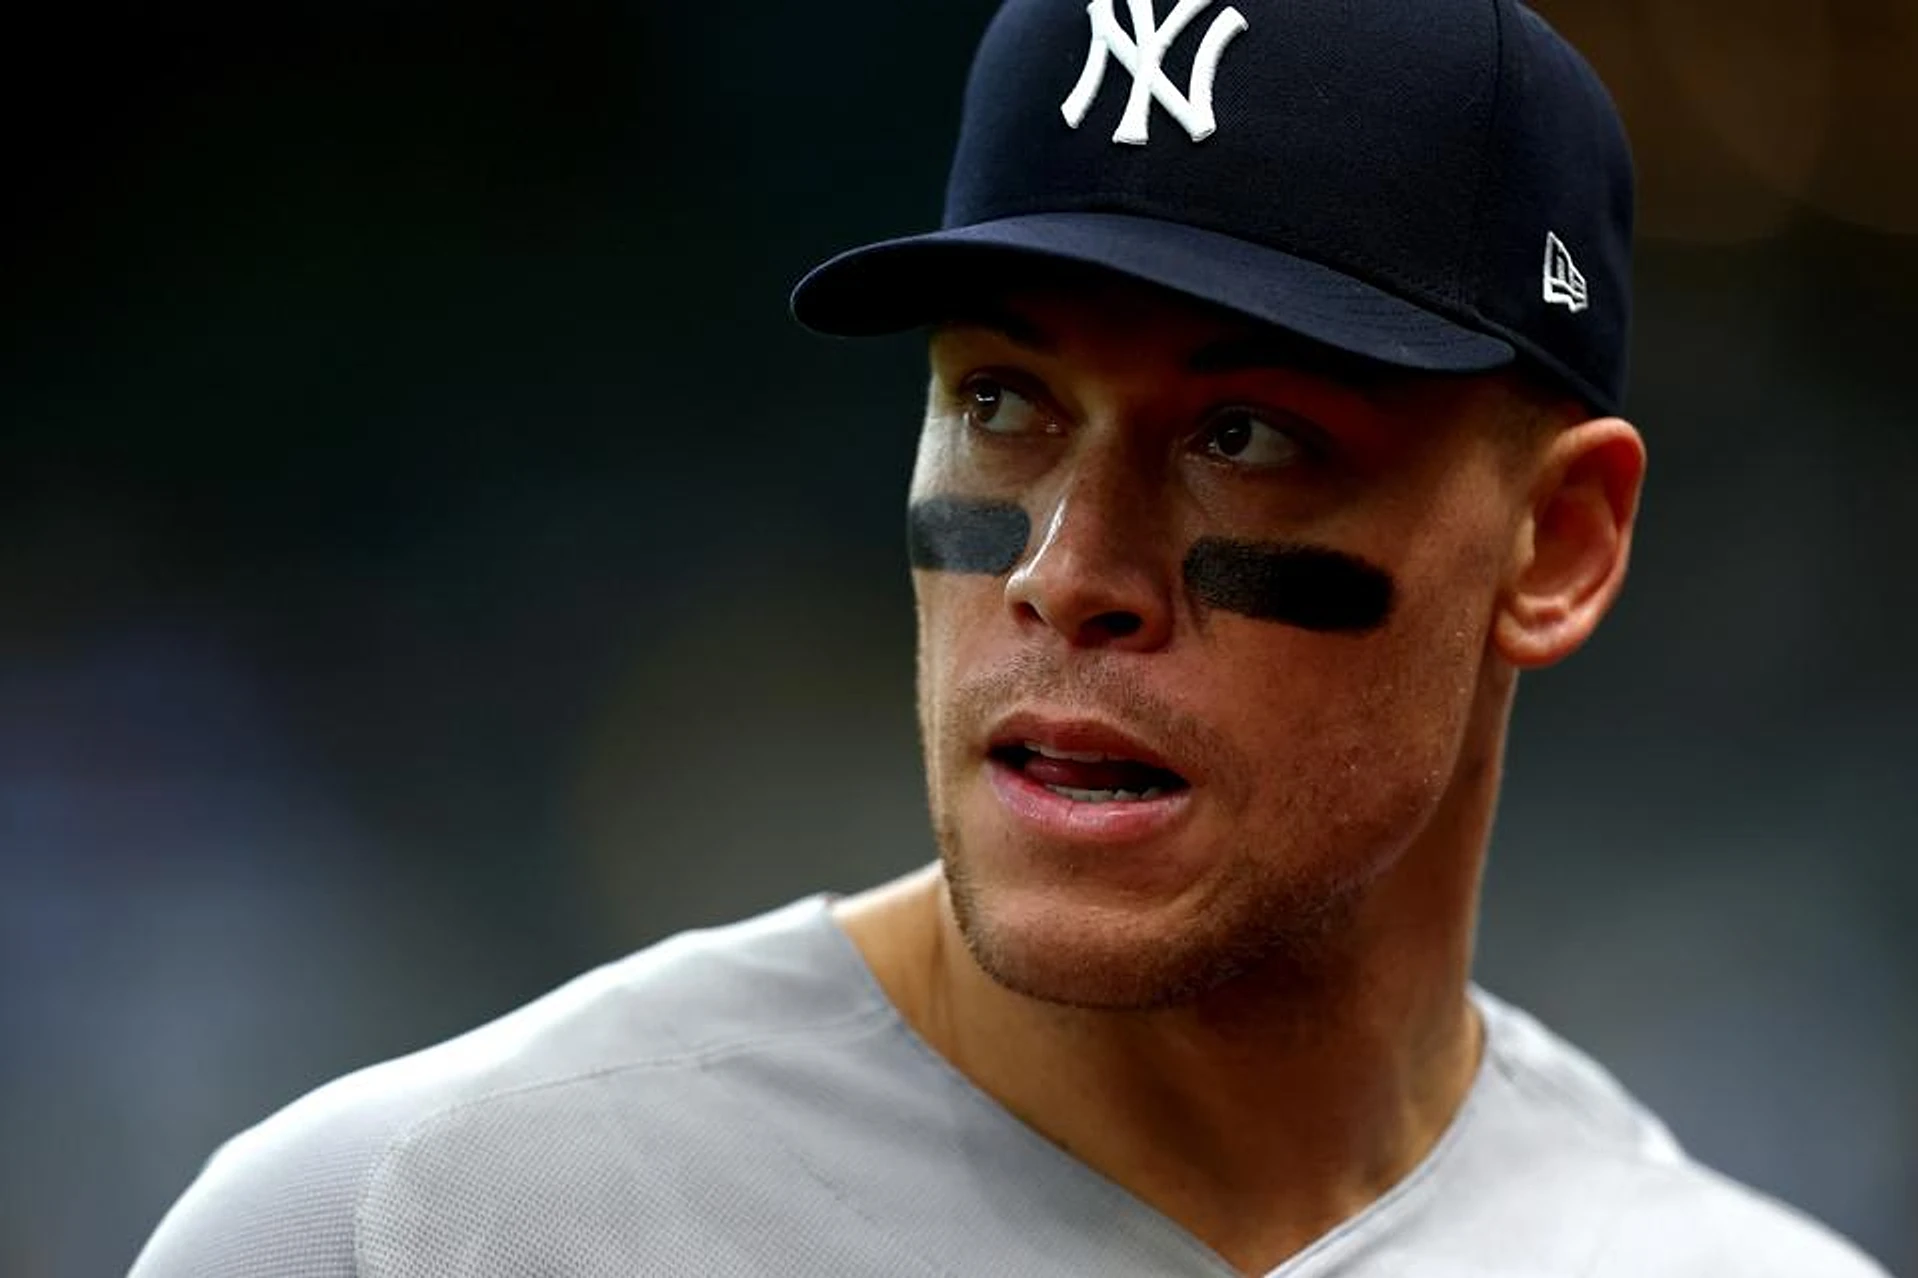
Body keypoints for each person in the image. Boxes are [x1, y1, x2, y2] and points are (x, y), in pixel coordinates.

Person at [131, 1, 1891, 1274]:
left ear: (1557, 546)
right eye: (1001, 400)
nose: (1066, 570)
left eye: (1246, 434)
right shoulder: (401, 1225)